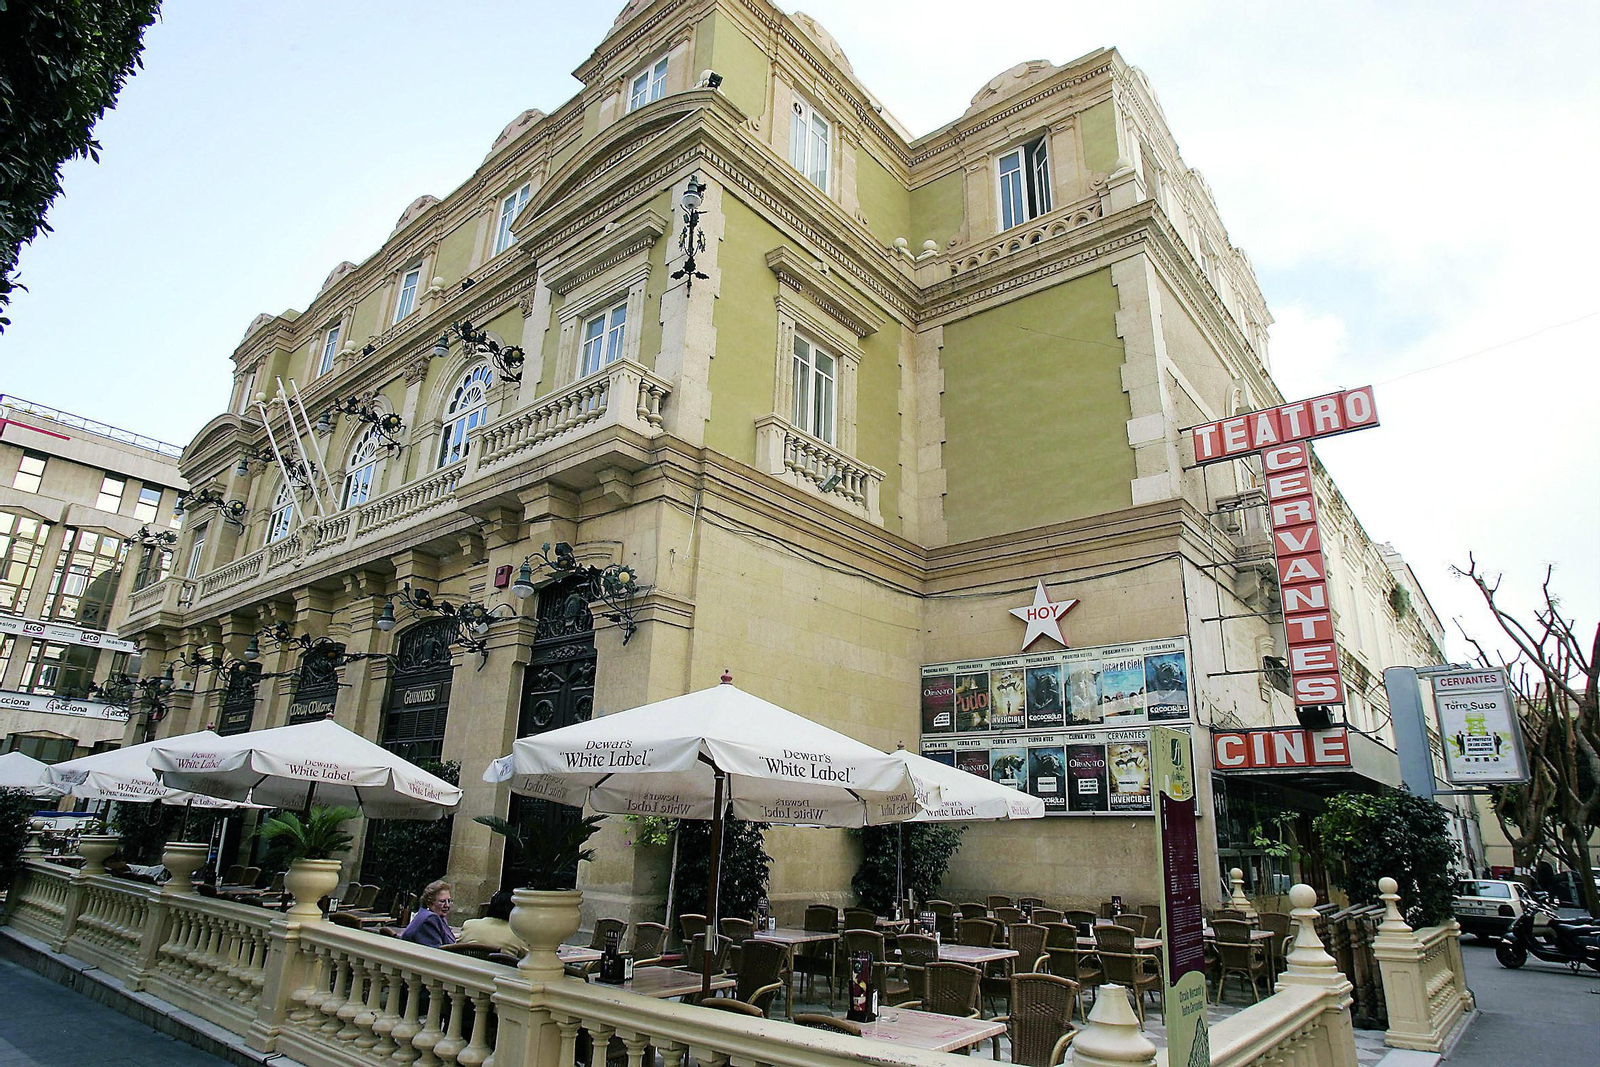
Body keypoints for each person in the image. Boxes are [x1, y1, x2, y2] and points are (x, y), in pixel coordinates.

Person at [458, 890, 526, 953]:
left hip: (469, 965)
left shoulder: (469, 925)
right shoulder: (519, 936)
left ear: (491, 905)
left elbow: (456, 950)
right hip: (502, 965)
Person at [400, 880, 457, 947]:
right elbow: (435, 951)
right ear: (429, 902)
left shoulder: (439, 916)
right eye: (442, 901)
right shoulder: (429, 919)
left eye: (449, 901)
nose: (447, 905)